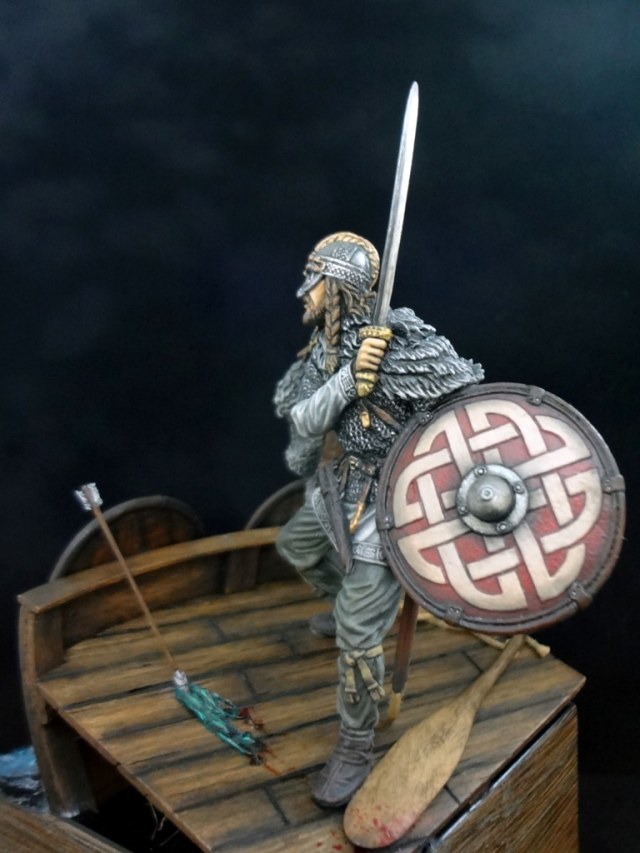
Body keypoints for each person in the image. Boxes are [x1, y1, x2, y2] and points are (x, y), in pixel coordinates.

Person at [274, 231, 483, 808]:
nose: (304, 292)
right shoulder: (327, 347)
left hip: (394, 501)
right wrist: (349, 379)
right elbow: (306, 421)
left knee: (359, 635)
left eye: (314, 280)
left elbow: (464, 409)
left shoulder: (402, 338)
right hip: (340, 486)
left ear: (337, 286)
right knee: (296, 547)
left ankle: (355, 744)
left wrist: (386, 366)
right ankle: (350, 606)